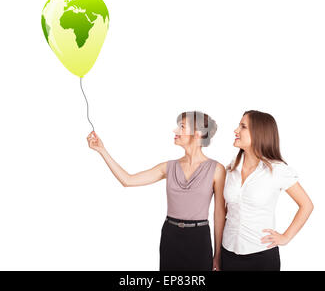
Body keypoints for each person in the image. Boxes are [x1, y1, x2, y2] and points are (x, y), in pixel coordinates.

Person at [87, 111, 226, 271]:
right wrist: (102, 150)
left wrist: (218, 254)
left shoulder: (216, 169)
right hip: (170, 236)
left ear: (197, 133)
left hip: (199, 238)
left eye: (181, 127)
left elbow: (219, 214)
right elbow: (128, 180)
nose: (175, 131)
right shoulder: (168, 167)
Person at [221, 110, 314, 271]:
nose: (236, 130)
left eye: (243, 127)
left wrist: (285, 237)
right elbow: (225, 211)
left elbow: (306, 205)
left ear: (259, 133)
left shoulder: (277, 170)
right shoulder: (231, 169)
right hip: (228, 252)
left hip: (261, 257)